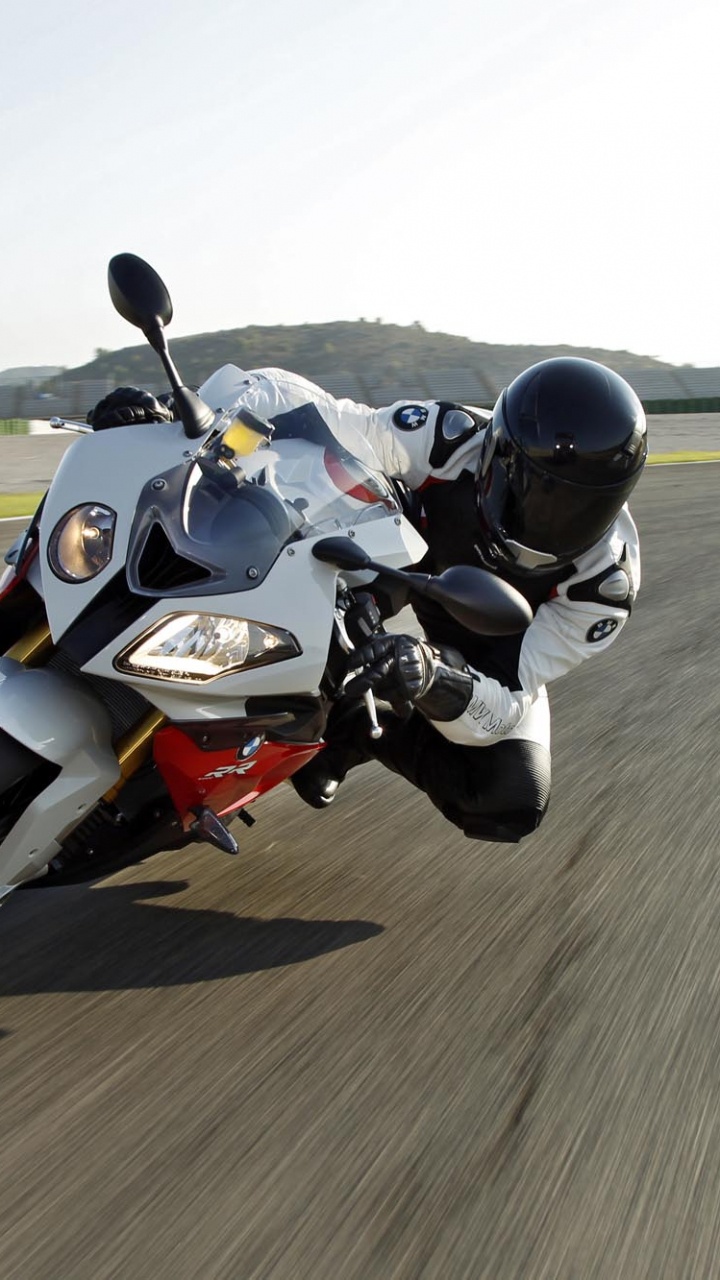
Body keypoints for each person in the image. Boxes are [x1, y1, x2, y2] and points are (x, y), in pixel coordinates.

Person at [88, 356, 646, 843]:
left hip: (498, 642)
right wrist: (180, 421)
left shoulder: (602, 590)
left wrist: (432, 677)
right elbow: (303, 408)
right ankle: (296, 688)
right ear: (495, 453)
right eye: (531, 487)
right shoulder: (448, 437)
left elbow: (505, 706)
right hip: (396, 565)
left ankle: (348, 728)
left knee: (510, 797)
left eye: (577, 506)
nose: (547, 521)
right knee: (313, 577)